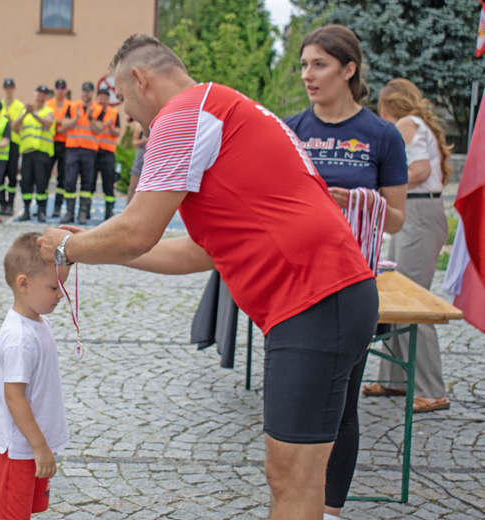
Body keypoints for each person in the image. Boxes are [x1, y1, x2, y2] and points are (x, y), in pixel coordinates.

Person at [39, 34, 380, 520]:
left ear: (141, 78)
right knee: (307, 477)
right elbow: (200, 252)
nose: (126, 115)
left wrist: (69, 248)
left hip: (313, 299)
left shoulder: (181, 116)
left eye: (123, 98)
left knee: (291, 479)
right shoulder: (221, 106)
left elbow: (136, 231)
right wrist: (98, 247)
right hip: (334, 293)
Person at [284, 25, 408, 520]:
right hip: (297, 283)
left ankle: (330, 511)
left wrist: (358, 200)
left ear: (349, 69)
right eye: (303, 65)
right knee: (291, 403)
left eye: (319, 65)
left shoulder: (382, 135)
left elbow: (396, 217)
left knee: (342, 405)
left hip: (353, 284)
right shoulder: (292, 129)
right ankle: (292, 501)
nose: (307, 75)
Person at [373, 78, 452, 413]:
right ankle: (394, 379)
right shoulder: (420, 124)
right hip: (418, 211)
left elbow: (417, 170)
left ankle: (431, 389)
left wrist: (382, 179)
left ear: (390, 105)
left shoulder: (406, 123)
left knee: (412, 300)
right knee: (394, 292)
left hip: (418, 212)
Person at [0, 232, 70, 519]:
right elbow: (14, 398)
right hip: (19, 450)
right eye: (54, 286)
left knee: (25, 511)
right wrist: (39, 446)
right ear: (23, 283)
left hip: (33, 446)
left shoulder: (38, 321)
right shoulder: (19, 338)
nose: (61, 294)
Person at [58, 81, 104, 224]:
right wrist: (77, 118)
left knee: (87, 183)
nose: (86, 93)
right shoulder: (72, 106)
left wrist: (90, 117)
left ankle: (83, 213)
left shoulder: (98, 109)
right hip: (72, 149)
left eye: (89, 91)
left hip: (89, 150)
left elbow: (98, 130)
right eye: (84, 91)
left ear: (92, 93)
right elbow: (63, 127)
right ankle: (70, 212)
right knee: (70, 181)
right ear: (81, 92)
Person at [14, 85, 55, 222]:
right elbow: (14, 127)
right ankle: (26, 210)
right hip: (27, 152)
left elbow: (48, 124)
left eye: (44, 95)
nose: (40, 97)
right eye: (39, 94)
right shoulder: (25, 111)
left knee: (41, 183)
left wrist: (34, 114)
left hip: (42, 153)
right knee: (26, 182)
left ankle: (41, 211)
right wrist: (25, 114)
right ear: (35, 94)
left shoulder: (48, 111)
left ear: (46, 97)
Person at [0, 78, 25, 215]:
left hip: (14, 143)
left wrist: (10, 120)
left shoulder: (19, 106)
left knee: (12, 175)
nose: (9, 90)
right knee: (1, 175)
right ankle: (2, 202)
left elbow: (18, 127)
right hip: (1, 145)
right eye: (7, 88)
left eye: (11, 88)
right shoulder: (0, 105)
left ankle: (11, 203)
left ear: (14, 89)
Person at [95, 88, 120, 220]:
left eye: (105, 98)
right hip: (93, 151)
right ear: (97, 99)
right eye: (100, 98)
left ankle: (109, 210)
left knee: (108, 183)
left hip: (108, 152)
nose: (102, 100)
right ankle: (85, 210)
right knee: (89, 182)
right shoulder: (92, 111)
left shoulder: (114, 113)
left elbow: (117, 132)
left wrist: (109, 127)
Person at [47, 78, 71, 217]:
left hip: (65, 144)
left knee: (62, 177)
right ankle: (42, 207)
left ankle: (57, 206)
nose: (60, 90)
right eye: (58, 87)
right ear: (54, 89)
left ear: (66, 90)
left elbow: (68, 123)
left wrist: (55, 122)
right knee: (45, 175)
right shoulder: (48, 104)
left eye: (63, 88)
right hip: (50, 142)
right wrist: (62, 123)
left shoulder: (70, 105)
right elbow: (48, 122)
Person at [127, 119, 147, 205]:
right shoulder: (139, 126)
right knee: (133, 186)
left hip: (153, 155)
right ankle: (127, 208)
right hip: (141, 155)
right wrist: (143, 141)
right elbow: (134, 142)